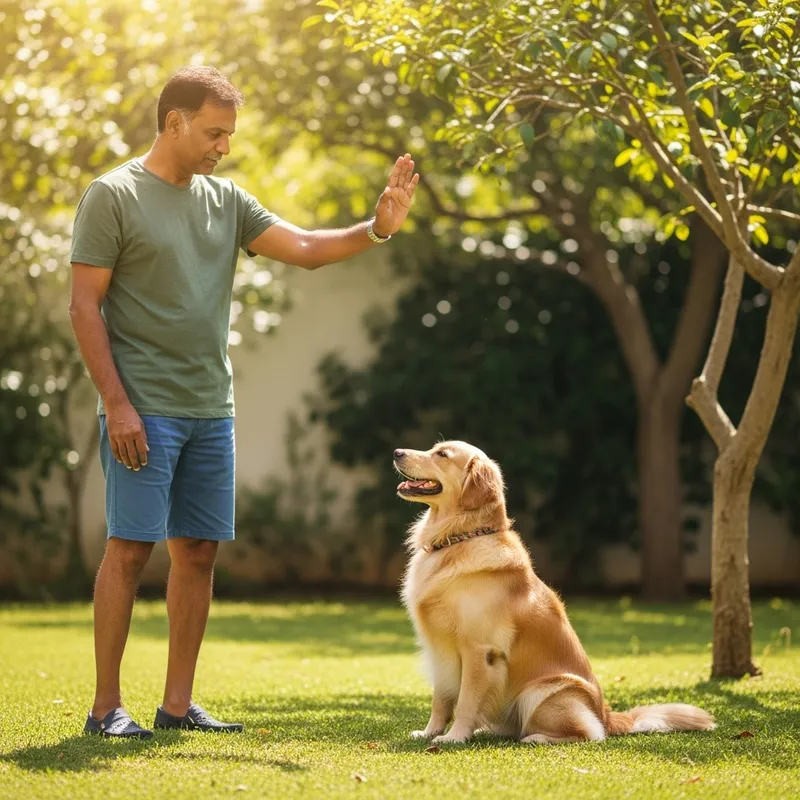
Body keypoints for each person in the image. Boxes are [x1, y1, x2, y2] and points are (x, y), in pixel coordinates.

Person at [69, 65, 419, 739]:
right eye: (213, 132)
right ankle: (105, 708)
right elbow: (85, 307)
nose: (223, 146)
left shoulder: (225, 201)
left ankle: (177, 707)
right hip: (143, 407)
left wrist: (375, 228)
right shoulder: (112, 196)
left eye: (227, 134)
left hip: (209, 407)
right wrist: (116, 403)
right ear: (174, 122)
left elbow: (308, 250)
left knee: (198, 550)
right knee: (131, 549)